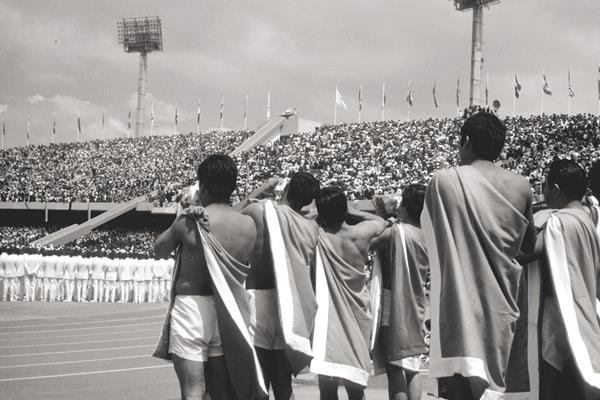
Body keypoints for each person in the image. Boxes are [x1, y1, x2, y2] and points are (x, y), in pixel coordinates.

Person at [421, 111, 536, 399]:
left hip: (458, 305)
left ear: (467, 142)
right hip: (501, 304)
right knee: (493, 389)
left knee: (459, 386)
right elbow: (529, 246)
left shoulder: (444, 181)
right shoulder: (521, 186)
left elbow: (432, 234)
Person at [153, 154, 266, 400]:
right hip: (228, 310)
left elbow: (159, 248)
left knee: (193, 390)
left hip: (191, 308)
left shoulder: (189, 222)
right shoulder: (248, 225)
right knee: (220, 391)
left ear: (202, 186)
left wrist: (182, 214)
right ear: (233, 186)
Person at [511, 159, 600, 399]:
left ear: (556, 189)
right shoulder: (585, 218)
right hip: (582, 305)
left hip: (558, 311)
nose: (545, 191)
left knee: (549, 378)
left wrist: (524, 212)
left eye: (546, 186)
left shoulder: (559, 222)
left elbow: (524, 253)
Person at [241, 172, 320, 399]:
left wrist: (259, 191)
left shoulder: (260, 210)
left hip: (259, 298)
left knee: (260, 381)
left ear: (285, 190)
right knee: (284, 383)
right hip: (291, 304)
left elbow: (231, 217)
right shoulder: (310, 227)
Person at [310, 186, 388, 400]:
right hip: (358, 312)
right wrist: (352, 211)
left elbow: (300, 216)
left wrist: (319, 213)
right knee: (355, 385)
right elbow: (381, 222)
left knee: (327, 385)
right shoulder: (361, 233)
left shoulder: (317, 235)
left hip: (329, 316)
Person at [371, 186, 429, 400]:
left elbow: (370, 241)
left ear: (406, 206)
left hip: (394, 301)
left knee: (395, 364)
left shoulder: (397, 232)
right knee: (412, 364)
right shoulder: (424, 232)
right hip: (417, 300)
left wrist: (381, 215)